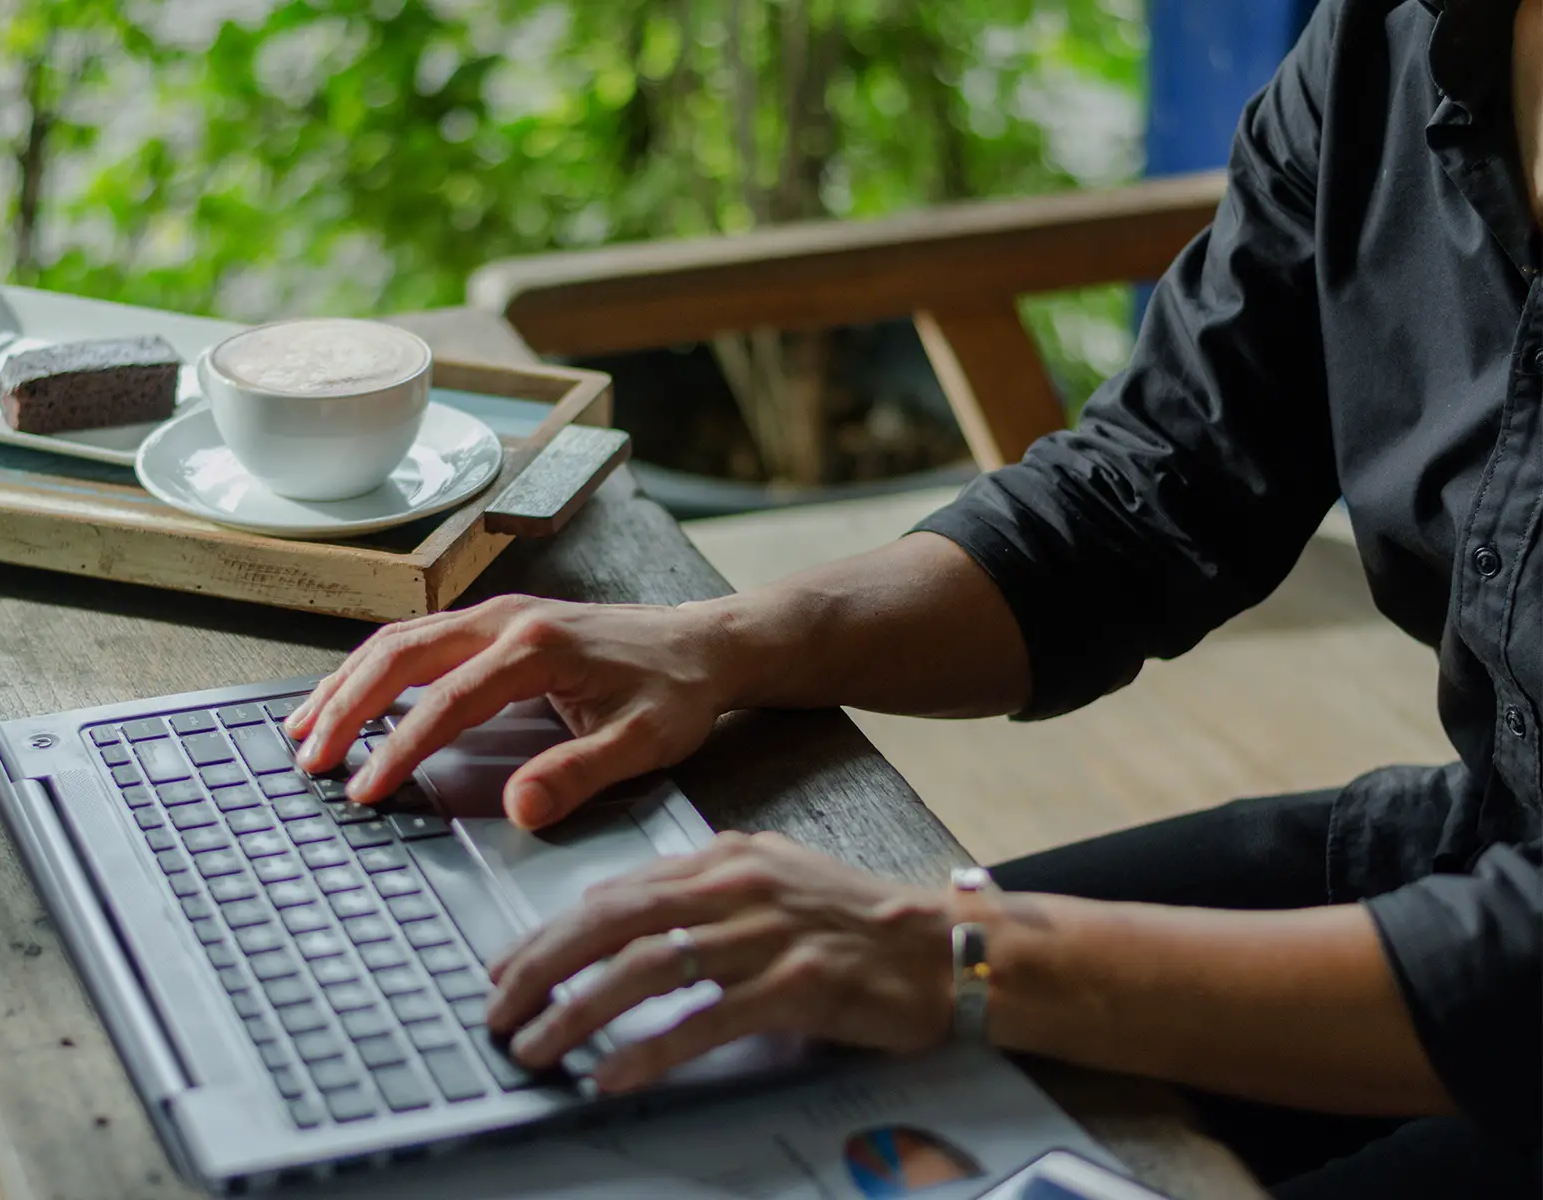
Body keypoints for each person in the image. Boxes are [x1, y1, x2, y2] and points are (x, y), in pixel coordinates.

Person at [287, 0, 1542, 1194]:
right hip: (1481, 851)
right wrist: (722, 644)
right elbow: (1150, 494)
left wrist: (962, 955)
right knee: (727, 1061)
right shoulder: (1398, 39)